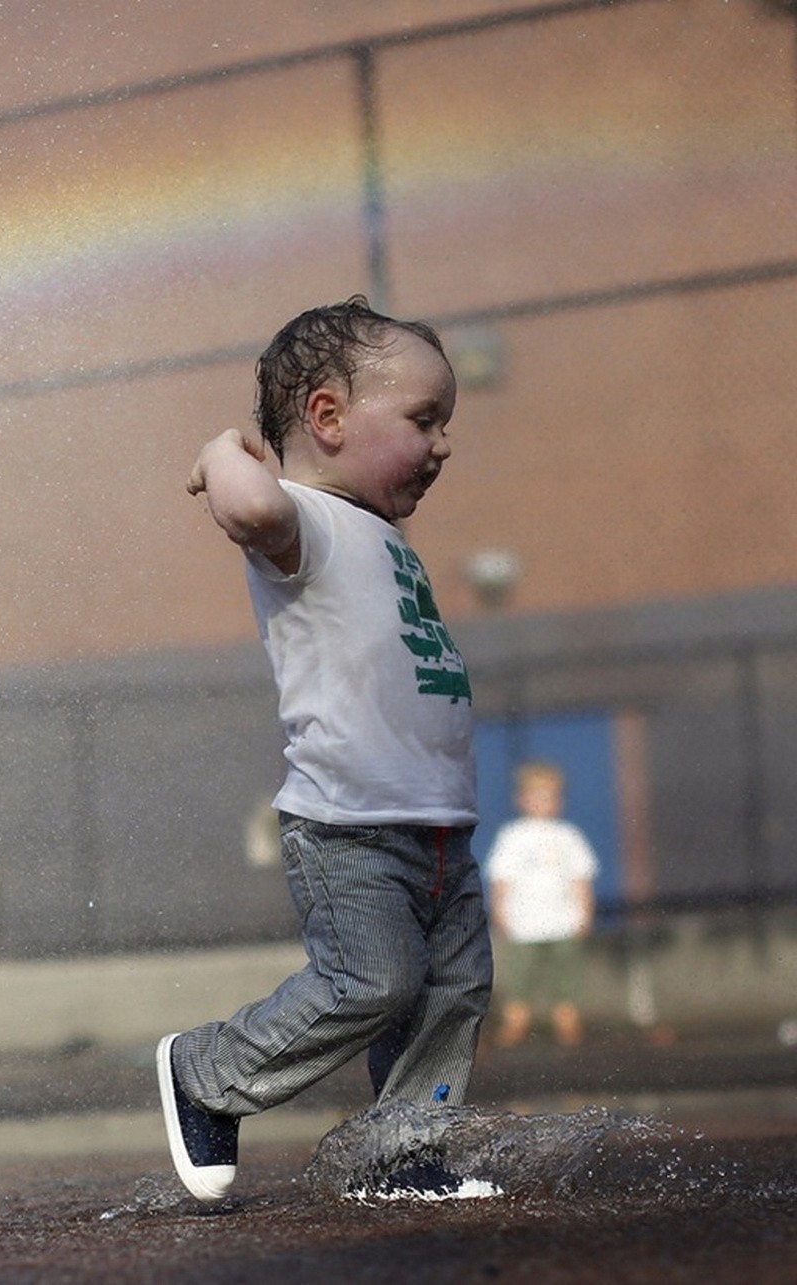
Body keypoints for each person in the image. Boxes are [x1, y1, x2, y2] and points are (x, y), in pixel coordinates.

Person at [165, 296, 490, 1203]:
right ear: (327, 417)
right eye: (425, 420)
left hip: (435, 829)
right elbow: (245, 504)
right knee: (374, 982)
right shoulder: (299, 522)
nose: (443, 443)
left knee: (451, 993)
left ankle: (403, 1158)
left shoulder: (379, 536)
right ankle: (207, 1071)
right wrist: (220, 451)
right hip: (349, 824)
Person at [485, 761, 599, 1049]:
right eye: (536, 797)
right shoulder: (513, 836)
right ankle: (515, 1023)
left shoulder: (568, 836)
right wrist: (499, 910)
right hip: (523, 925)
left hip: (564, 923)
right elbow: (501, 879)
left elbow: (580, 878)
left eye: (550, 797)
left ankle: (568, 1023)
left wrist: (585, 911)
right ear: (521, 799)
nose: (543, 803)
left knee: (567, 977)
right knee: (520, 977)